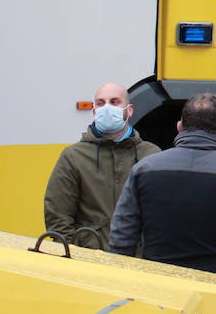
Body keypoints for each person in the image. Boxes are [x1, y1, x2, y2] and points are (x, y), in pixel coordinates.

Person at [108, 93, 216, 311]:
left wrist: (117, 290)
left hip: (158, 293)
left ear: (179, 127)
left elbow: (122, 238)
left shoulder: (144, 170)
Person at [44, 81, 159, 249]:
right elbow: (58, 217)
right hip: (91, 264)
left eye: (114, 102)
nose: (107, 108)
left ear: (129, 110)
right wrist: (77, 255)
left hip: (139, 264)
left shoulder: (151, 156)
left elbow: (161, 215)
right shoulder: (73, 156)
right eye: (100, 103)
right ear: (94, 111)